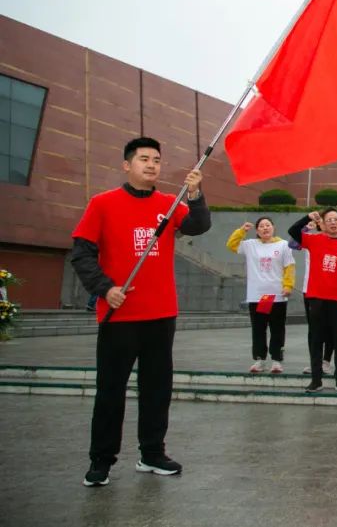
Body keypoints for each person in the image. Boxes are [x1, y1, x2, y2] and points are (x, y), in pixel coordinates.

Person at [71, 136, 211, 487]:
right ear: (127, 164)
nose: (151, 165)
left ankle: (152, 453)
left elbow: (198, 226)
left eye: (157, 160)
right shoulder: (103, 204)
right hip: (119, 314)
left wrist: (195, 195)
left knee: (157, 389)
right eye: (144, 159)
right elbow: (82, 254)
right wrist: (106, 288)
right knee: (110, 390)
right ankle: (101, 460)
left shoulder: (169, 203)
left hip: (161, 314)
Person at [288, 209, 337, 394]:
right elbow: (293, 231)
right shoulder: (314, 240)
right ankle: (316, 380)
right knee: (316, 339)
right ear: (323, 224)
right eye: (329, 220)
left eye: (336, 219)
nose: (333, 222)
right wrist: (307, 217)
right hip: (317, 297)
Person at [227, 217, 296, 374]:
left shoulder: (283, 245)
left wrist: (288, 286)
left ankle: (276, 360)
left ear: (273, 227)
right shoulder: (250, 245)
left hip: (277, 295)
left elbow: (289, 266)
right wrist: (241, 231)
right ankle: (260, 360)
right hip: (257, 296)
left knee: (277, 329)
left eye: (268, 225)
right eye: (261, 226)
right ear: (257, 230)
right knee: (259, 329)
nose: (265, 228)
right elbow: (231, 245)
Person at [289, 220, 334, 375]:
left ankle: (326, 361)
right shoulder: (310, 239)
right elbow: (292, 244)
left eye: (334, 219)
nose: (330, 222)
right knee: (314, 329)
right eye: (325, 220)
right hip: (311, 290)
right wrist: (306, 228)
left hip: (332, 291)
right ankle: (315, 361)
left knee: (331, 327)